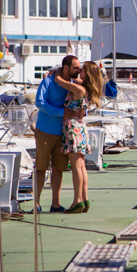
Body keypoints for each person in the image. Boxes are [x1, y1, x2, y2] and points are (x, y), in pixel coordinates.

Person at [52, 61, 104, 212]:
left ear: (86, 74)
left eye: (81, 70)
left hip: (72, 128)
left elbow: (59, 80)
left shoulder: (78, 89)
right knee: (81, 166)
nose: (79, 72)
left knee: (76, 167)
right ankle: (85, 198)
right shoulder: (87, 88)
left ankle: (77, 201)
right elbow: (77, 81)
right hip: (80, 128)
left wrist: (58, 70)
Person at [33, 55, 81, 213]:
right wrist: (62, 113)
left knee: (58, 169)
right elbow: (39, 102)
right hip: (45, 131)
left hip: (63, 133)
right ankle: (36, 204)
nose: (79, 70)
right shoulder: (48, 80)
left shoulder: (73, 83)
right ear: (66, 68)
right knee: (41, 168)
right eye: (76, 67)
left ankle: (55, 204)